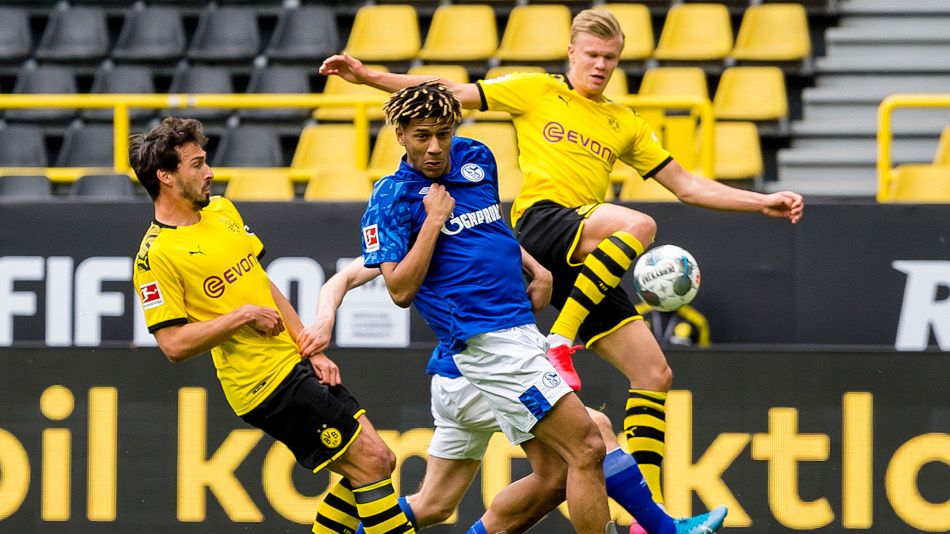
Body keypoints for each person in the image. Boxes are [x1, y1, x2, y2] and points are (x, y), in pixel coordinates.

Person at [319, 8, 804, 507]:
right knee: (638, 224)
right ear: (571, 51)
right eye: (592, 55)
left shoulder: (624, 122)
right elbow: (445, 93)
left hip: (591, 253)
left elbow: (685, 184)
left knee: (654, 374)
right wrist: (370, 77)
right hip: (545, 223)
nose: (600, 65)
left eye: (610, 58)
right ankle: (562, 338)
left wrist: (759, 202)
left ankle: (648, 517)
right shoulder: (536, 89)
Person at [352, 80, 616, 534]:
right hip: (487, 343)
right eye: (422, 136)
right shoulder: (391, 197)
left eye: (443, 133)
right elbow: (398, 291)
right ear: (400, 135)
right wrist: (433, 221)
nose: (435, 148)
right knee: (589, 446)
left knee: (554, 475)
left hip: (519, 328)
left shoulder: (477, 158)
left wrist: (535, 267)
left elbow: (489, 229)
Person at [129, 117, 415, 534]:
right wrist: (241, 317)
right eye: (196, 165)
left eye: (205, 161)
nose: (209, 172)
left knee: (379, 462)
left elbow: (262, 285)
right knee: (371, 462)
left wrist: (310, 348)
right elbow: (173, 344)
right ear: (166, 177)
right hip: (263, 384)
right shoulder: (156, 257)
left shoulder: (223, 210)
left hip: (292, 363)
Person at [297, 257, 728, 534]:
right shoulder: (415, 226)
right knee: (590, 434)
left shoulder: (482, 219)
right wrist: (322, 319)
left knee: (435, 504)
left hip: (453, 380)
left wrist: (539, 271)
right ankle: (663, 529)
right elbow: (347, 276)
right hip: (476, 376)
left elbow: (516, 261)